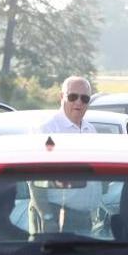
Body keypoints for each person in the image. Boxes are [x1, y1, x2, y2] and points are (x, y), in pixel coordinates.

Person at [31, 76, 100, 234]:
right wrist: (46, 217)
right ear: (61, 97)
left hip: (84, 218)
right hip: (55, 216)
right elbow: (35, 177)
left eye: (84, 98)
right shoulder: (47, 130)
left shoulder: (91, 130)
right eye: (72, 96)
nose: (78, 102)